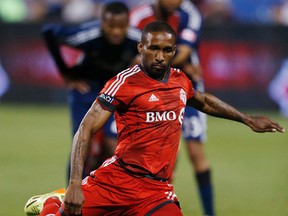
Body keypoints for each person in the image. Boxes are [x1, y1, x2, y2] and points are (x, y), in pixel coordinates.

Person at [25, 21, 284, 216]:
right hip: (116, 181)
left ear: (173, 51)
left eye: (167, 50)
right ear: (141, 47)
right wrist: (73, 184)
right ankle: (53, 203)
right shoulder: (125, 82)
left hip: (156, 191)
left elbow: (203, 101)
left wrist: (247, 119)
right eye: (154, 49)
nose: (160, 56)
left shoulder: (180, 80)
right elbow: (85, 129)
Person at [129, 1, 215, 215]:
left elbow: (184, 51)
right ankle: (157, 207)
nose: (175, 1)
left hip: (188, 86)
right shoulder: (138, 16)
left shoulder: (190, 14)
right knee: (163, 157)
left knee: (196, 153)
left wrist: (162, 65)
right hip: (153, 92)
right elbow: (131, 56)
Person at [42, 1, 141, 180]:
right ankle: (71, 195)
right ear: (102, 23)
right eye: (111, 26)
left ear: (128, 24)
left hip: (115, 92)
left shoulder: (138, 39)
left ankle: (103, 193)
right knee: (81, 143)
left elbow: (158, 53)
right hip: (86, 90)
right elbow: (49, 31)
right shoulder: (88, 35)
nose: (116, 32)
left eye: (121, 26)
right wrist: (67, 73)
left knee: (115, 146)